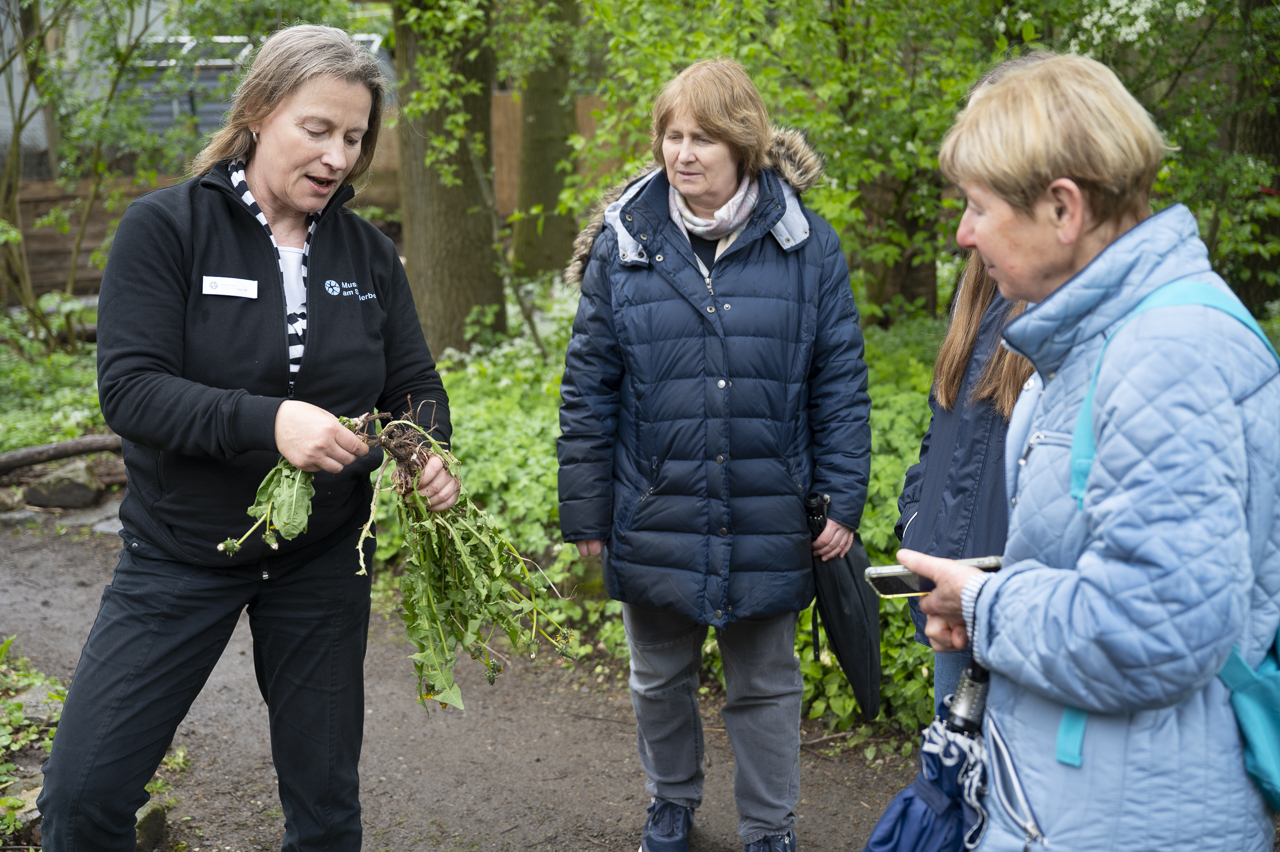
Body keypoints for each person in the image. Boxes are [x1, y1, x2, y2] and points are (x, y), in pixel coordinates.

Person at [37, 25, 459, 852]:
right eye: (318, 129)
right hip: (178, 554)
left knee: (327, 811)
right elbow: (132, 391)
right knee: (83, 800)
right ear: (260, 111)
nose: (338, 156)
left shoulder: (369, 253)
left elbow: (416, 390)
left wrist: (424, 452)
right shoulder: (167, 229)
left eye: (354, 136)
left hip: (322, 563)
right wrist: (270, 421)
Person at [902, 53, 1280, 851]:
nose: (964, 234)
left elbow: (1155, 627)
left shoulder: (1168, 352)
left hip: (1126, 820)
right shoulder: (1094, 345)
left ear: (1063, 209)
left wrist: (983, 605)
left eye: (977, 207)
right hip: (1075, 803)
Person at [558, 59, 871, 852]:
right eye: (672, 135)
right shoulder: (623, 246)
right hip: (656, 503)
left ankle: (770, 828)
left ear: (745, 146)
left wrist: (839, 493)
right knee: (658, 677)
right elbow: (589, 387)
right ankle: (672, 803)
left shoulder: (806, 244)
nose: (682, 153)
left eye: (703, 137)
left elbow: (840, 381)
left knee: (765, 687)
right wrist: (587, 509)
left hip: (769, 502)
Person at [895, 55, 1047, 715]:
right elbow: (943, 435)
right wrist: (918, 523)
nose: (965, 229)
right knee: (953, 781)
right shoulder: (981, 289)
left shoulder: (1055, 311)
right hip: (951, 594)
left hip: (1016, 615)